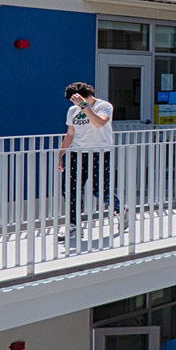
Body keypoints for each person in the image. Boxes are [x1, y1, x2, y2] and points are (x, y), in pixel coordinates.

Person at [59, 81, 118, 248]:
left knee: (99, 190)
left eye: (76, 100)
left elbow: (100, 123)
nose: (74, 104)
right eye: (72, 101)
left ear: (88, 96)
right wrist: (61, 154)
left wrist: (84, 106)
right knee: (70, 189)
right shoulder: (72, 110)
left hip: (99, 152)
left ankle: (120, 208)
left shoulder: (104, 106)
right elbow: (70, 134)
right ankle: (74, 226)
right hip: (77, 154)